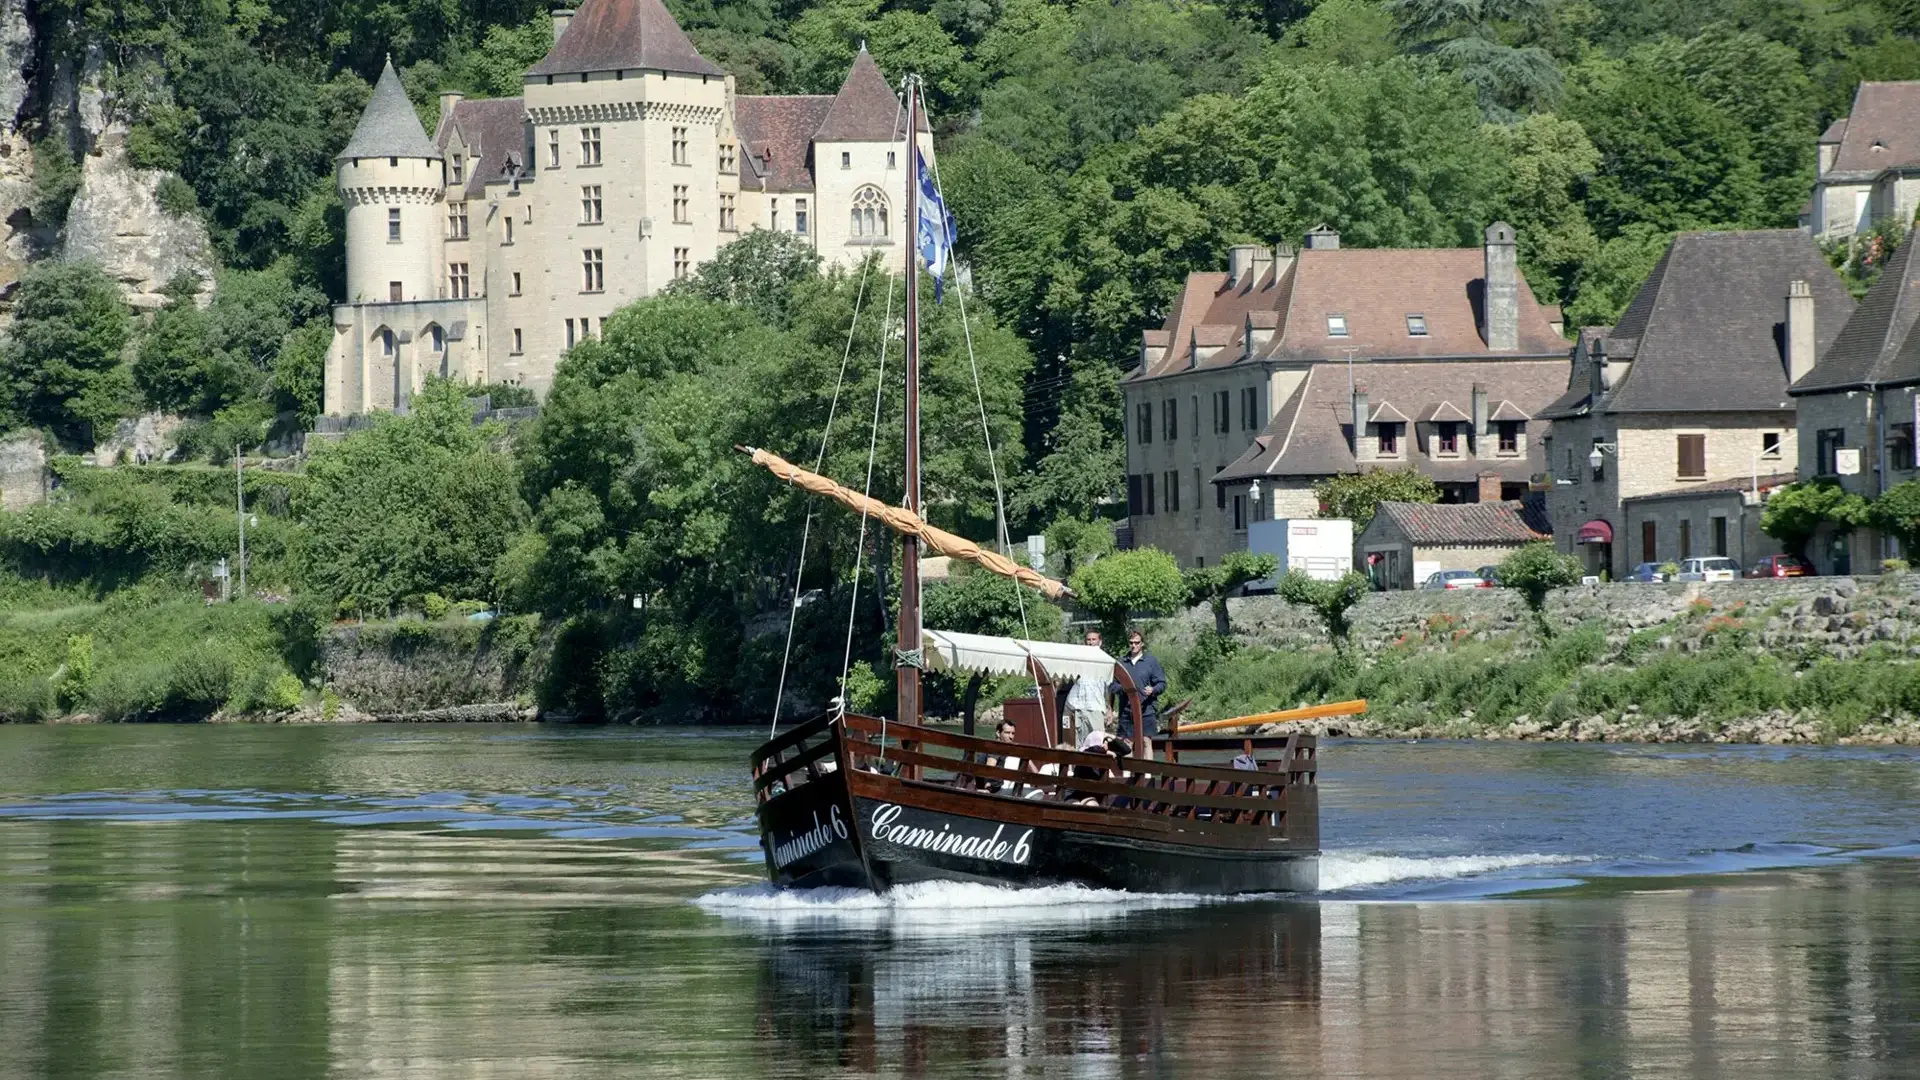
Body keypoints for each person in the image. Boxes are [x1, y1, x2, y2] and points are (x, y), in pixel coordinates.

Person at [1111, 629, 1168, 742]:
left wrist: (1153, 689)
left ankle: (1147, 761)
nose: (1134, 645)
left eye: (1137, 642)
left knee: (1146, 741)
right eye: (1131, 642)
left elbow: (1162, 683)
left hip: (1147, 710)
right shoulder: (1121, 662)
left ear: (1142, 644)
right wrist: (1124, 689)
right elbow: (1112, 685)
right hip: (1126, 711)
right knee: (1127, 743)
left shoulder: (1151, 661)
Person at [1062, 629, 1116, 746]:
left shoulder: (1106, 661)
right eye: (1088, 640)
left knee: (1098, 742)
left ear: (1100, 642)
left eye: (1093, 640)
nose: (1091, 642)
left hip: (1096, 707)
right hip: (1078, 707)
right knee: (1080, 744)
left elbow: (1109, 689)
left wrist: (1109, 709)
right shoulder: (1079, 659)